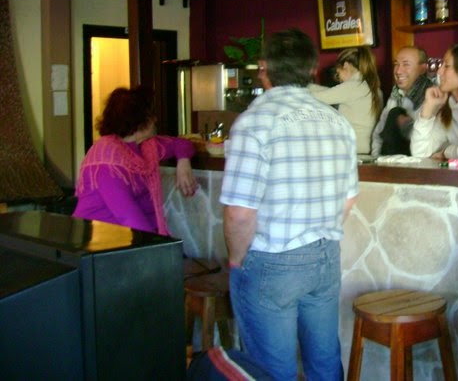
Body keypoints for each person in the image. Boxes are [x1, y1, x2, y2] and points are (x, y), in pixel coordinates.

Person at [220, 29, 358, 381]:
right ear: (311, 69)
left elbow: (239, 213)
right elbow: (349, 199)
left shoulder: (253, 123)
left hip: (271, 259)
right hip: (325, 255)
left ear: (264, 67)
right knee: (324, 363)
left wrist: (236, 260)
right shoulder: (338, 123)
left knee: (272, 371)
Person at [73, 86, 197, 234]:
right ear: (139, 121)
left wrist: (183, 162)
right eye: (151, 115)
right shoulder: (107, 159)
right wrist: (157, 244)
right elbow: (128, 216)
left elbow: (183, 144)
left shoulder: (147, 146)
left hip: (129, 236)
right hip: (100, 236)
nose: (155, 120)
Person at [309, 45, 383, 154]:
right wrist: (309, 86)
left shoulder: (353, 86)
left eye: (338, 74)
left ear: (346, 65)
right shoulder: (373, 89)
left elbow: (315, 98)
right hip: (369, 150)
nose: (339, 80)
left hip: (355, 150)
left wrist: (297, 86)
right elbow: (331, 92)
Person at [370, 46, 434, 156]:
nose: (398, 71)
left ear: (423, 69)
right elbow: (379, 134)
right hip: (390, 162)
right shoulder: (396, 95)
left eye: (406, 64)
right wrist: (377, 159)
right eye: (396, 64)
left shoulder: (434, 96)